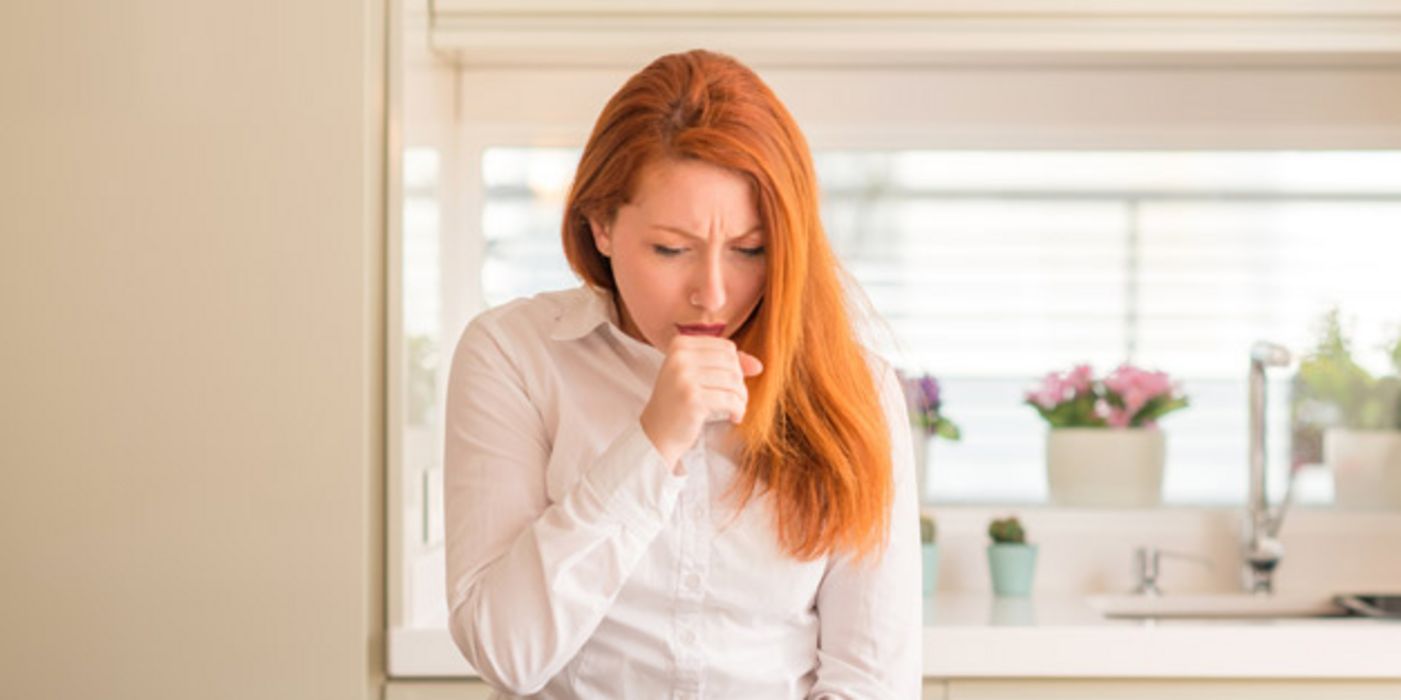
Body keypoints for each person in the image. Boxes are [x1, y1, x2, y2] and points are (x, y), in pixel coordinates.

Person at [443, 49, 921, 699]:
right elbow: (508, 653)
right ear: (601, 224)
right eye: (671, 249)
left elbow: (870, 678)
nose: (713, 294)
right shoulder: (512, 355)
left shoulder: (855, 387)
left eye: (750, 250)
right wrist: (651, 442)